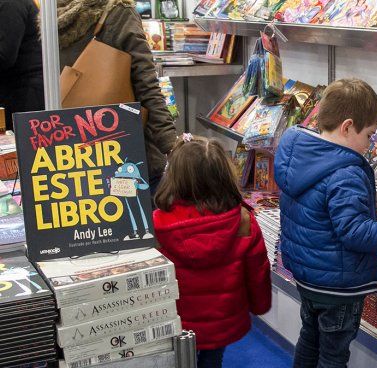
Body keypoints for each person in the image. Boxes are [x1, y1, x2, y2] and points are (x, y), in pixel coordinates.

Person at [274, 78, 377, 368]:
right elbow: (355, 233)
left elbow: (319, 205)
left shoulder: (304, 155)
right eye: (370, 135)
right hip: (338, 285)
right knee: (333, 356)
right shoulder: (346, 171)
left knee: (310, 340)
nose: (371, 143)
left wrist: (367, 206)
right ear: (347, 126)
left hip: (309, 277)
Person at [153, 134, 272, 368]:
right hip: (222, 319)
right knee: (212, 361)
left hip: (175, 320)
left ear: (174, 176)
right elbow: (258, 270)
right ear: (223, 174)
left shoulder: (159, 224)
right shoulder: (242, 221)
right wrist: (259, 305)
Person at [57, 0, 177, 190]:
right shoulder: (118, 11)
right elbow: (146, 83)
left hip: (73, 151)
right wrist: (170, 143)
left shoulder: (51, 18)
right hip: (125, 145)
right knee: (136, 213)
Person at [0, 0, 44, 131]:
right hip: (20, 93)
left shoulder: (9, 3)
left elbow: (4, 56)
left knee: (24, 149)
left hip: (24, 97)